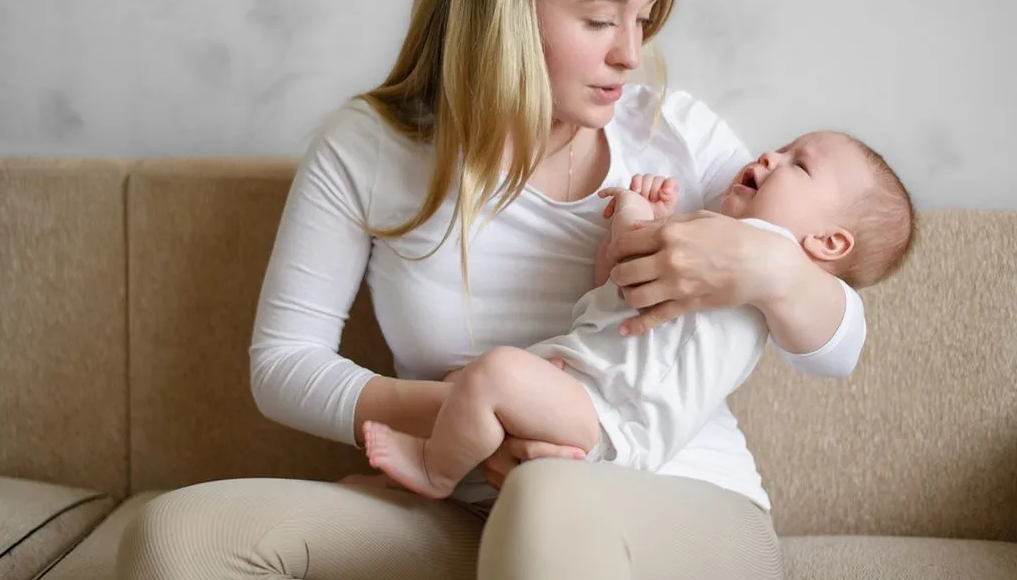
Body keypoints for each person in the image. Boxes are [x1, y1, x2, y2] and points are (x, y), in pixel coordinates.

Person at [115, 0, 876, 579]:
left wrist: (773, 264)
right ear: (502, 8)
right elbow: (283, 365)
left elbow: (838, 348)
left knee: (547, 502)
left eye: (642, 18)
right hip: (461, 501)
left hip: (681, 502)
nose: (630, 54)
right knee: (177, 538)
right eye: (601, 18)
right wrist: (468, 421)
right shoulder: (368, 148)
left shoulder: (679, 139)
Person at [360, 131, 915, 500]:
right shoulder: (708, 228)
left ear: (828, 241)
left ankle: (436, 471)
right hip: (582, 384)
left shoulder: (766, 255)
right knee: (469, 383)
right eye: (781, 147)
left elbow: (838, 346)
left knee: (490, 376)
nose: (770, 156)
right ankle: (445, 460)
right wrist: (644, 219)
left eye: (800, 165)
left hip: (616, 420)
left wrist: (633, 211)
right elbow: (613, 284)